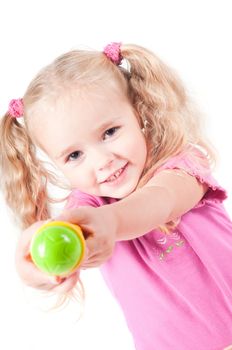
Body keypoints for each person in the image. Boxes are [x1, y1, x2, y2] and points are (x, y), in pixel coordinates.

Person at [0, 42, 232, 350]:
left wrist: (110, 221)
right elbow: (59, 233)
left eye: (109, 132)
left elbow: (159, 200)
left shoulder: (182, 165)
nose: (102, 161)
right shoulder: (88, 209)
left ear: (139, 114)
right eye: (75, 155)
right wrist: (32, 263)